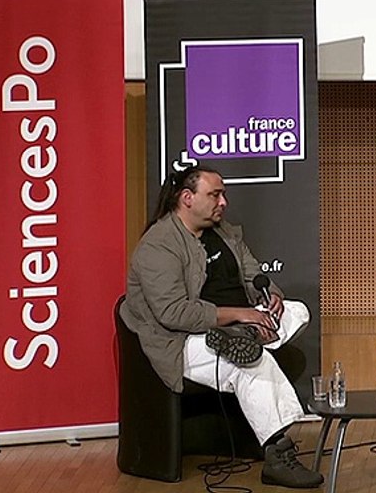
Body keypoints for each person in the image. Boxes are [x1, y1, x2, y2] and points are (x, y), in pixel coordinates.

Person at [120, 164, 322, 489]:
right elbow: (174, 313)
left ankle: (247, 336)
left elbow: (254, 274)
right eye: (214, 195)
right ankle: (277, 454)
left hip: (232, 323)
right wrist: (241, 315)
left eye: (223, 194)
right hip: (181, 341)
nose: (223, 202)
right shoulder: (158, 246)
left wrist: (270, 298)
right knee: (251, 361)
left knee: (297, 311)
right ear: (187, 198)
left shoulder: (224, 232)